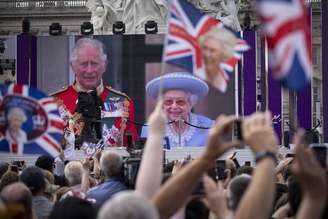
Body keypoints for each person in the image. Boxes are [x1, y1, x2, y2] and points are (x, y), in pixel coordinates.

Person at [51, 37, 138, 147]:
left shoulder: (123, 102)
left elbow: (131, 149)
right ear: (72, 66)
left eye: (94, 63)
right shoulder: (53, 103)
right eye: (84, 64)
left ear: (104, 66)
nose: (89, 70)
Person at [141, 72, 214, 148]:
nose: (174, 106)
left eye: (180, 102)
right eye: (168, 101)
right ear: (162, 104)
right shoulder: (150, 128)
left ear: (190, 104)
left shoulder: (208, 126)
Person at [198, 27, 238, 92]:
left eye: (212, 51)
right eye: (205, 48)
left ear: (224, 54)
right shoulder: (195, 74)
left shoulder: (229, 80)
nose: (207, 54)